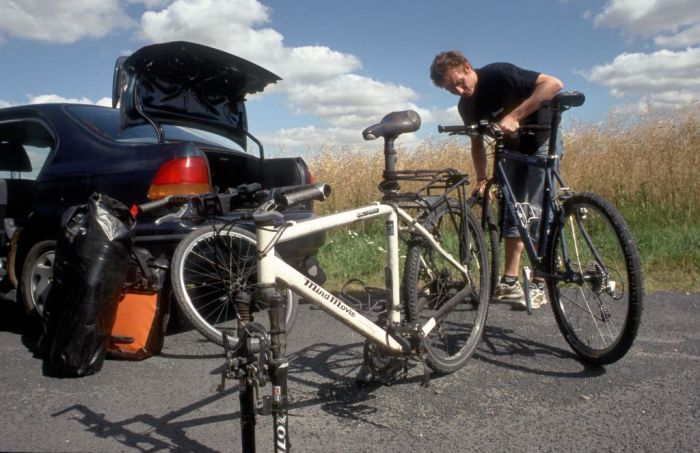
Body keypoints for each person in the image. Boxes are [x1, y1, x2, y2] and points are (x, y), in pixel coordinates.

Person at [430, 50, 563, 309]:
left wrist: (515, 116)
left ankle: (539, 282)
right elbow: (477, 144)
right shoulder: (465, 106)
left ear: (468, 67)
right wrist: (481, 180)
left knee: (538, 208)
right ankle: (510, 280)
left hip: (542, 139)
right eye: (450, 89)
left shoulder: (500, 74)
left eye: (459, 82)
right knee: (512, 211)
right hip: (511, 149)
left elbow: (554, 84)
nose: (458, 90)